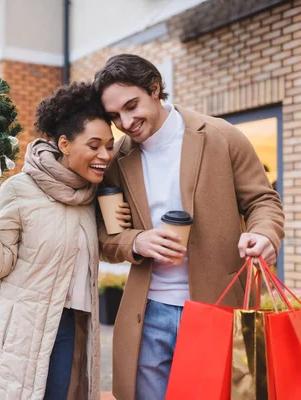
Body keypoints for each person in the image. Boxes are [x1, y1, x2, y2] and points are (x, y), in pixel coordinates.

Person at [93, 54, 285, 400]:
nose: (125, 122)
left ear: (155, 88)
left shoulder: (221, 135)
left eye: (132, 106)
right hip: (148, 314)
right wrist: (137, 241)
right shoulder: (117, 159)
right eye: (114, 116)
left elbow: (263, 201)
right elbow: (106, 235)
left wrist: (264, 233)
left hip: (223, 307)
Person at [0, 82, 131, 399]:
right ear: (64, 144)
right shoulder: (21, 189)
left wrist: (125, 230)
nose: (105, 155)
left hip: (72, 324)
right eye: (94, 146)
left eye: (109, 145)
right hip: (23, 326)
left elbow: (107, 249)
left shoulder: (93, 195)